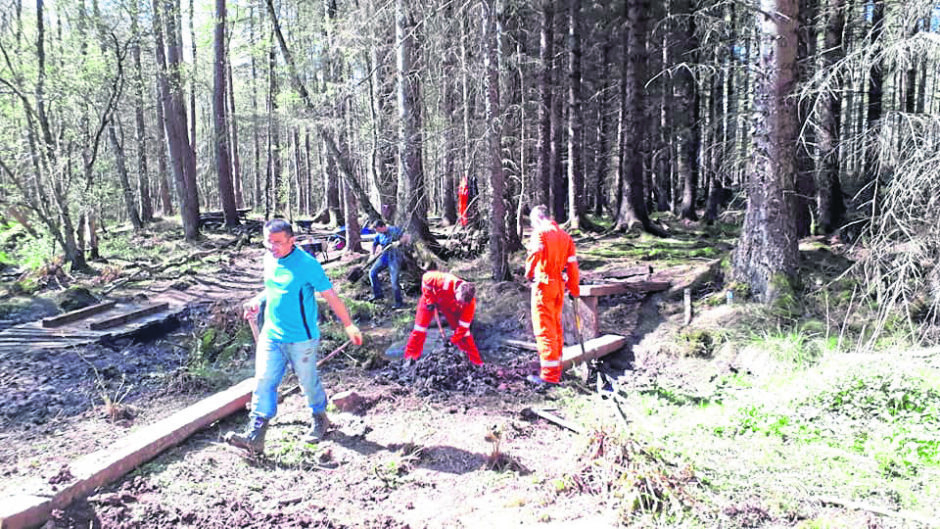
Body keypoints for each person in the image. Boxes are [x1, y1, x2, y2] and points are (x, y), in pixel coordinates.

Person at [225, 219, 364, 454]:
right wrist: (257, 302)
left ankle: (320, 417)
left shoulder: (307, 265)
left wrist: (349, 325)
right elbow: (272, 287)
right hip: (272, 334)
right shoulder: (269, 258)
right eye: (268, 242)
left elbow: (330, 296)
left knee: (307, 382)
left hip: (302, 339)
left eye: (278, 243)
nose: (272, 248)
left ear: (292, 240)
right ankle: (255, 435)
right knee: (263, 380)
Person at [524, 205, 580, 385]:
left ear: (538, 219)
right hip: (559, 287)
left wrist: (528, 273)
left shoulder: (540, 233)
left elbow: (534, 253)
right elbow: (572, 266)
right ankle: (556, 369)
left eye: (533, 223)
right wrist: (574, 289)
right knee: (556, 328)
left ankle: (548, 377)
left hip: (544, 286)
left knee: (544, 330)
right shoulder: (566, 236)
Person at [402, 270, 483, 365]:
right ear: (457, 291)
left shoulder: (469, 303)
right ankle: (410, 358)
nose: (461, 304)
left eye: (463, 303)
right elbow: (425, 278)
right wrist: (429, 299)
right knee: (419, 329)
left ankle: (475, 362)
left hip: (450, 306)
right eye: (460, 301)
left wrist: (453, 340)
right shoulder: (442, 280)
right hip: (432, 299)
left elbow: (463, 327)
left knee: (464, 335)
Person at [369, 219, 408, 309]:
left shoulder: (394, 230)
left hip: (395, 257)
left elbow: (406, 237)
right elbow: (374, 244)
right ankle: (378, 295)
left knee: (394, 280)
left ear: (383, 226)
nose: (377, 232)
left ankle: (399, 302)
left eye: (378, 229)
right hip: (384, 257)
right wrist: (372, 254)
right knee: (372, 272)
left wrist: (399, 242)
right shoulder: (379, 234)